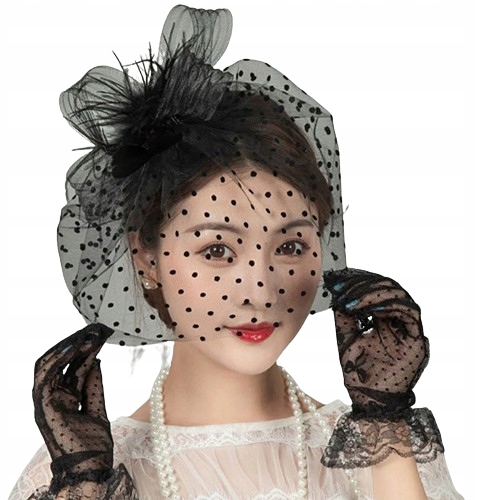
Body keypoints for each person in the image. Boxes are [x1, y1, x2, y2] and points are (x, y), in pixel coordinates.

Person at [9, 5, 463, 499]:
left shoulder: (381, 449)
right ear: (146, 258)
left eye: (290, 246)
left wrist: (386, 423)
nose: (262, 291)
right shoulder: (80, 477)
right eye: (218, 250)